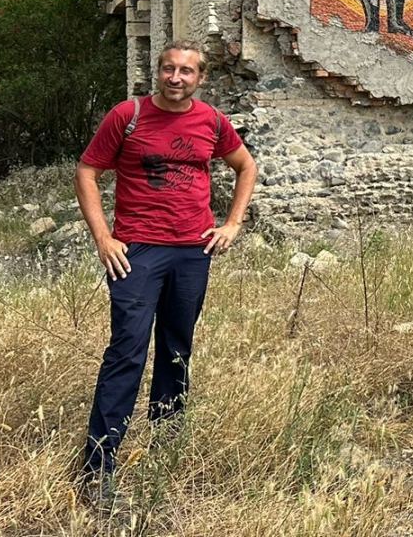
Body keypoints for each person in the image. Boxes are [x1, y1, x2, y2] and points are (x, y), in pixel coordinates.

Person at [74, 41, 256, 501]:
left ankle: (165, 444)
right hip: (136, 251)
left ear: (201, 78)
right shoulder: (127, 115)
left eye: (187, 71)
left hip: (192, 251)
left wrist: (232, 223)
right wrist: (103, 238)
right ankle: (98, 466)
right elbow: (88, 171)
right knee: (127, 350)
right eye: (169, 69)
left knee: (177, 346)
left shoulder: (212, 121)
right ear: (157, 72)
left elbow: (245, 165)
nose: (176, 78)